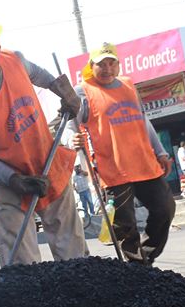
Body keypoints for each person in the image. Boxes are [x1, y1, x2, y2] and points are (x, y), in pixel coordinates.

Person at [0, 25, 88, 267]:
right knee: (21, 266)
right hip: (7, 182)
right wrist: (17, 180)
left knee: (73, 252)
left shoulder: (13, 59)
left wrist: (63, 91)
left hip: (45, 160)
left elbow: (39, 75)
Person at [69, 42, 175, 265]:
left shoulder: (127, 84)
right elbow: (71, 124)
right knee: (124, 223)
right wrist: (72, 141)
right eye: (101, 64)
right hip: (114, 170)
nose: (107, 68)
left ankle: (145, 256)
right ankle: (136, 265)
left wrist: (161, 151)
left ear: (118, 64)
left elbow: (143, 119)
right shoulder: (82, 91)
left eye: (111, 63)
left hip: (145, 163)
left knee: (165, 209)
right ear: (91, 65)